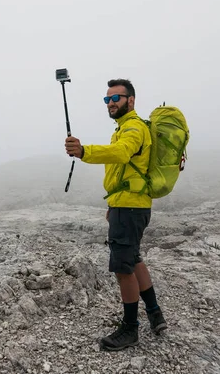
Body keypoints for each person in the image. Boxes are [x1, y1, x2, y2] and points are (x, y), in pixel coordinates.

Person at [64, 78, 167, 351]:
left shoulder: (132, 127)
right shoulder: (125, 127)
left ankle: (130, 329)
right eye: (107, 99)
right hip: (129, 204)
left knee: (123, 269)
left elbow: (121, 155)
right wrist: (113, 204)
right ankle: (155, 313)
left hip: (130, 208)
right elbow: (124, 169)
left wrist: (85, 151)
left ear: (130, 101)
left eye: (116, 98)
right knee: (133, 260)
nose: (110, 103)